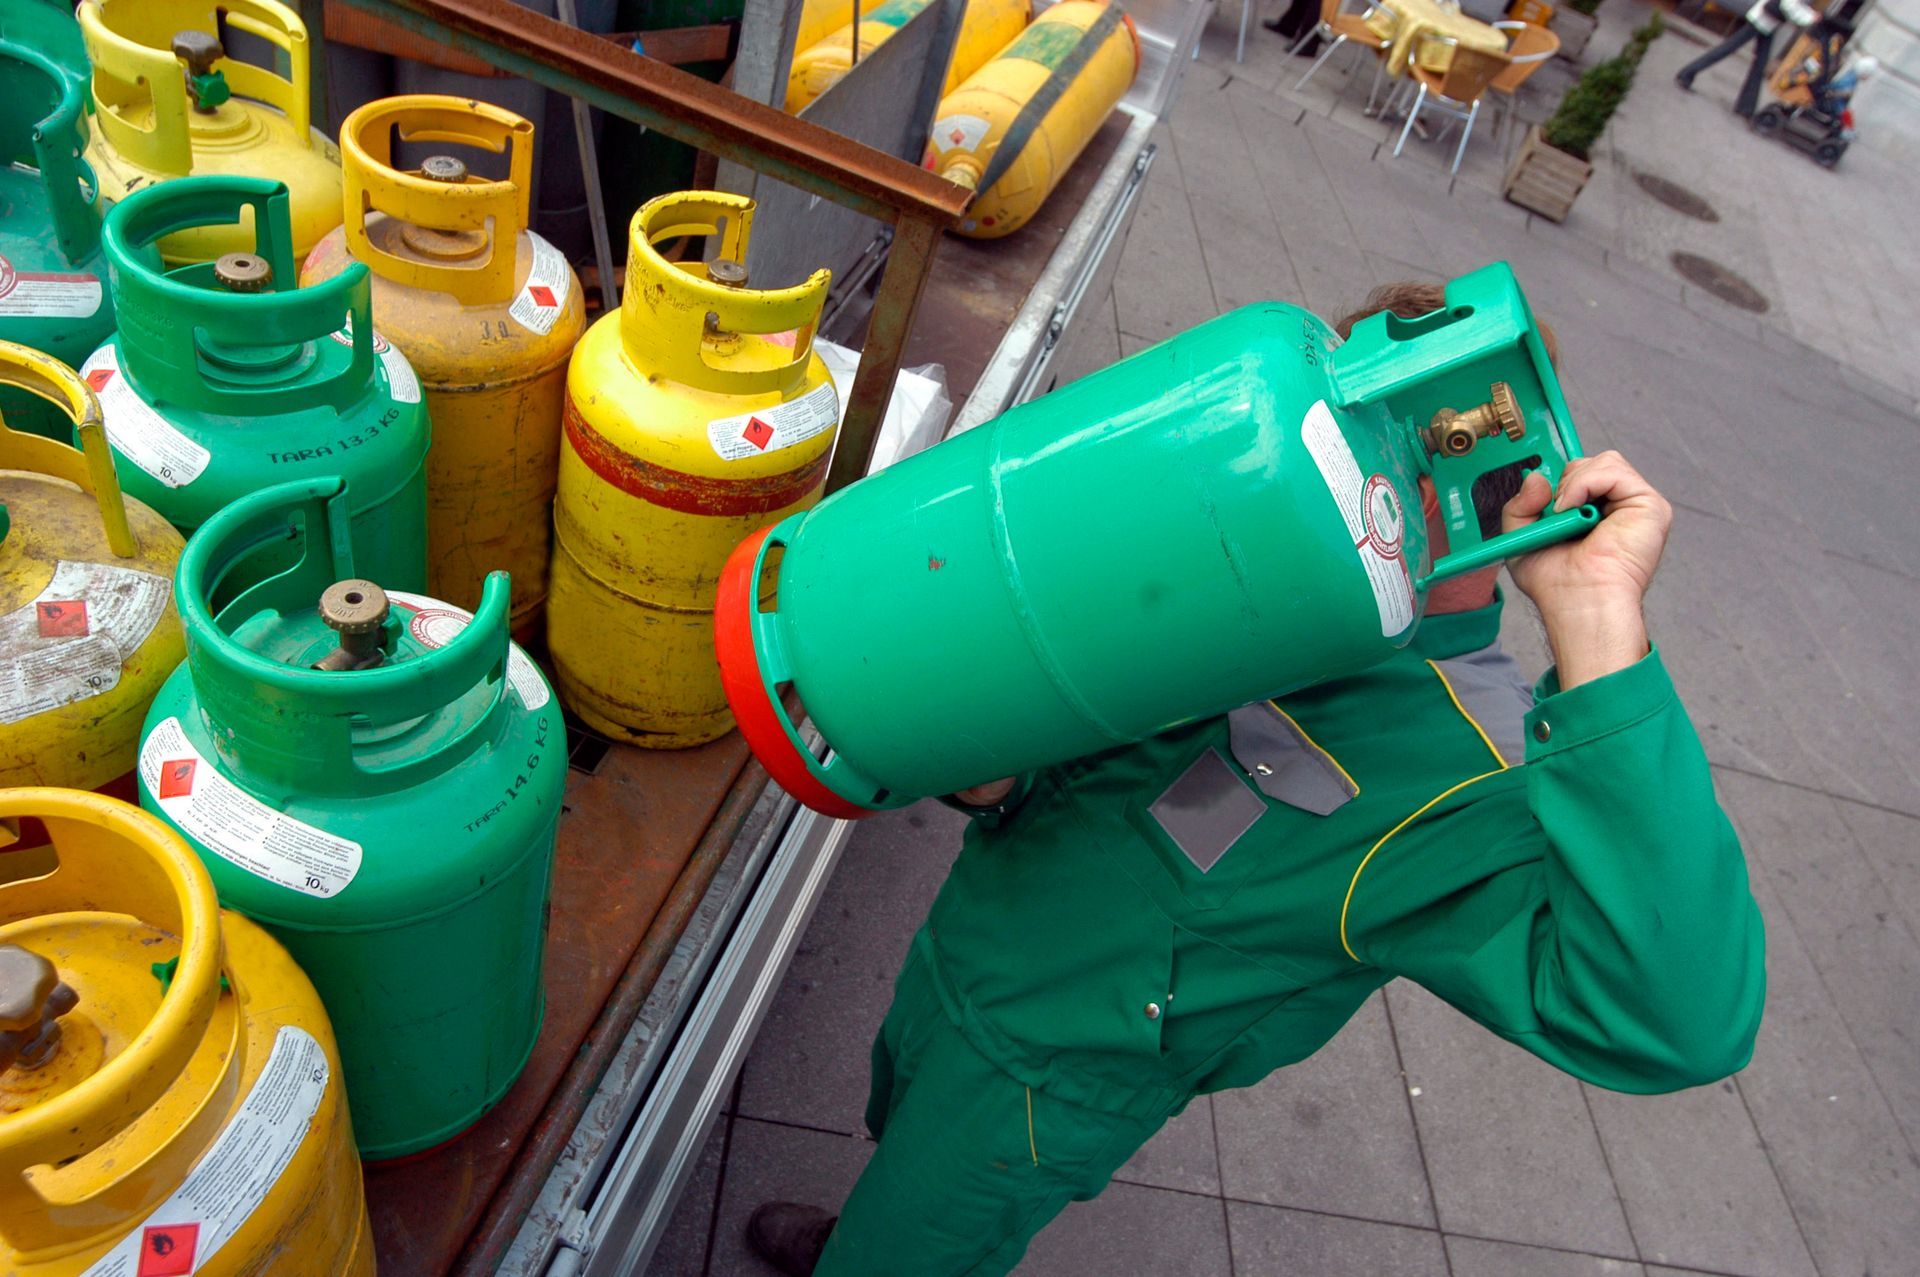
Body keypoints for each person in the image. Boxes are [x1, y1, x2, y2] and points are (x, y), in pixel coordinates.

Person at [745, 281, 1767, 1277]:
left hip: (1053, 1073)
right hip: (971, 945)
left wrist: (1593, 617)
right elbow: (1088, 723)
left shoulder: (1470, 768)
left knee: (924, 1237)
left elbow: (1678, 1015)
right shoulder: (1256, 563)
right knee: (898, 1129)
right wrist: (995, 773)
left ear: (1449, 492)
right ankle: (865, 1230)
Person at [1675, 0, 1818, 118]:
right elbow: (1789, 5)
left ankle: (1746, 107)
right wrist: (1811, 17)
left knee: (1758, 64)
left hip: (1767, 19)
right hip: (1763, 20)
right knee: (1728, 49)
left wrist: (1809, 15)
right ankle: (1687, 73)